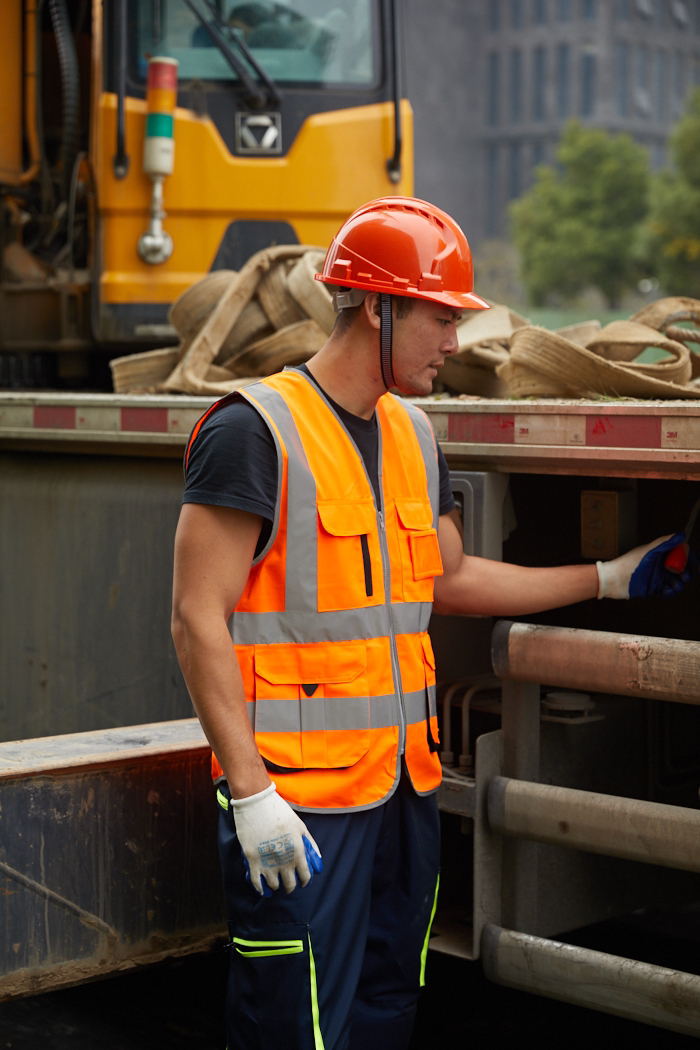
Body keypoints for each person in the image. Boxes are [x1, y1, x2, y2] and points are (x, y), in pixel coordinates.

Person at [171, 196, 691, 1050]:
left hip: (401, 792)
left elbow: (450, 577)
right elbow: (196, 620)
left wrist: (609, 575)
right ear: (377, 306)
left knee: (384, 1011)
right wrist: (252, 793)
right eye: (441, 318)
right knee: (292, 1026)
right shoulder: (252, 430)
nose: (457, 342)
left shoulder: (413, 434)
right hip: (302, 807)